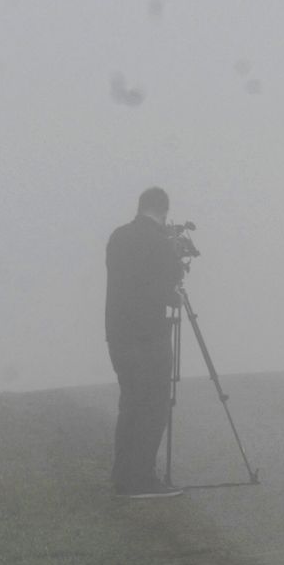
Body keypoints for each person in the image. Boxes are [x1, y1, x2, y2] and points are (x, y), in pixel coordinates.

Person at [105, 187, 185, 497]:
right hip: (149, 336)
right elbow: (168, 284)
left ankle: (124, 475)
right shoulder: (159, 242)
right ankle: (140, 479)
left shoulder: (118, 237)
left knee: (131, 403)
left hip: (119, 333)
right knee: (153, 405)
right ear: (164, 211)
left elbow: (130, 282)